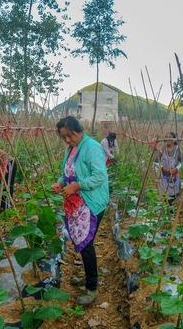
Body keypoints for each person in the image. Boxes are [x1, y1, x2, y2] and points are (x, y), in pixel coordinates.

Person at [51, 116, 109, 305]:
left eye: (70, 136)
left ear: (79, 130)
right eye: (64, 137)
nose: (67, 140)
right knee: (83, 244)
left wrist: (77, 186)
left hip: (92, 202)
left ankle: (92, 288)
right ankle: (87, 279)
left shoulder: (91, 147)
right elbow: (65, 172)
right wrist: (60, 183)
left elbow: (99, 176)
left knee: (87, 245)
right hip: (78, 204)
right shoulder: (71, 149)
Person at [154, 132, 183, 205]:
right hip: (165, 175)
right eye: (166, 137)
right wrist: (162, 168)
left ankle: (173, 209)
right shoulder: (162, 149)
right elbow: (156, 162)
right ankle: (168, 207)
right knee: (165, 193)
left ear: (174, 139)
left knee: (175, 193)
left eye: (169, 137)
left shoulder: (177, 149)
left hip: (174, 175)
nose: (167, 138)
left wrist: (176, 169)